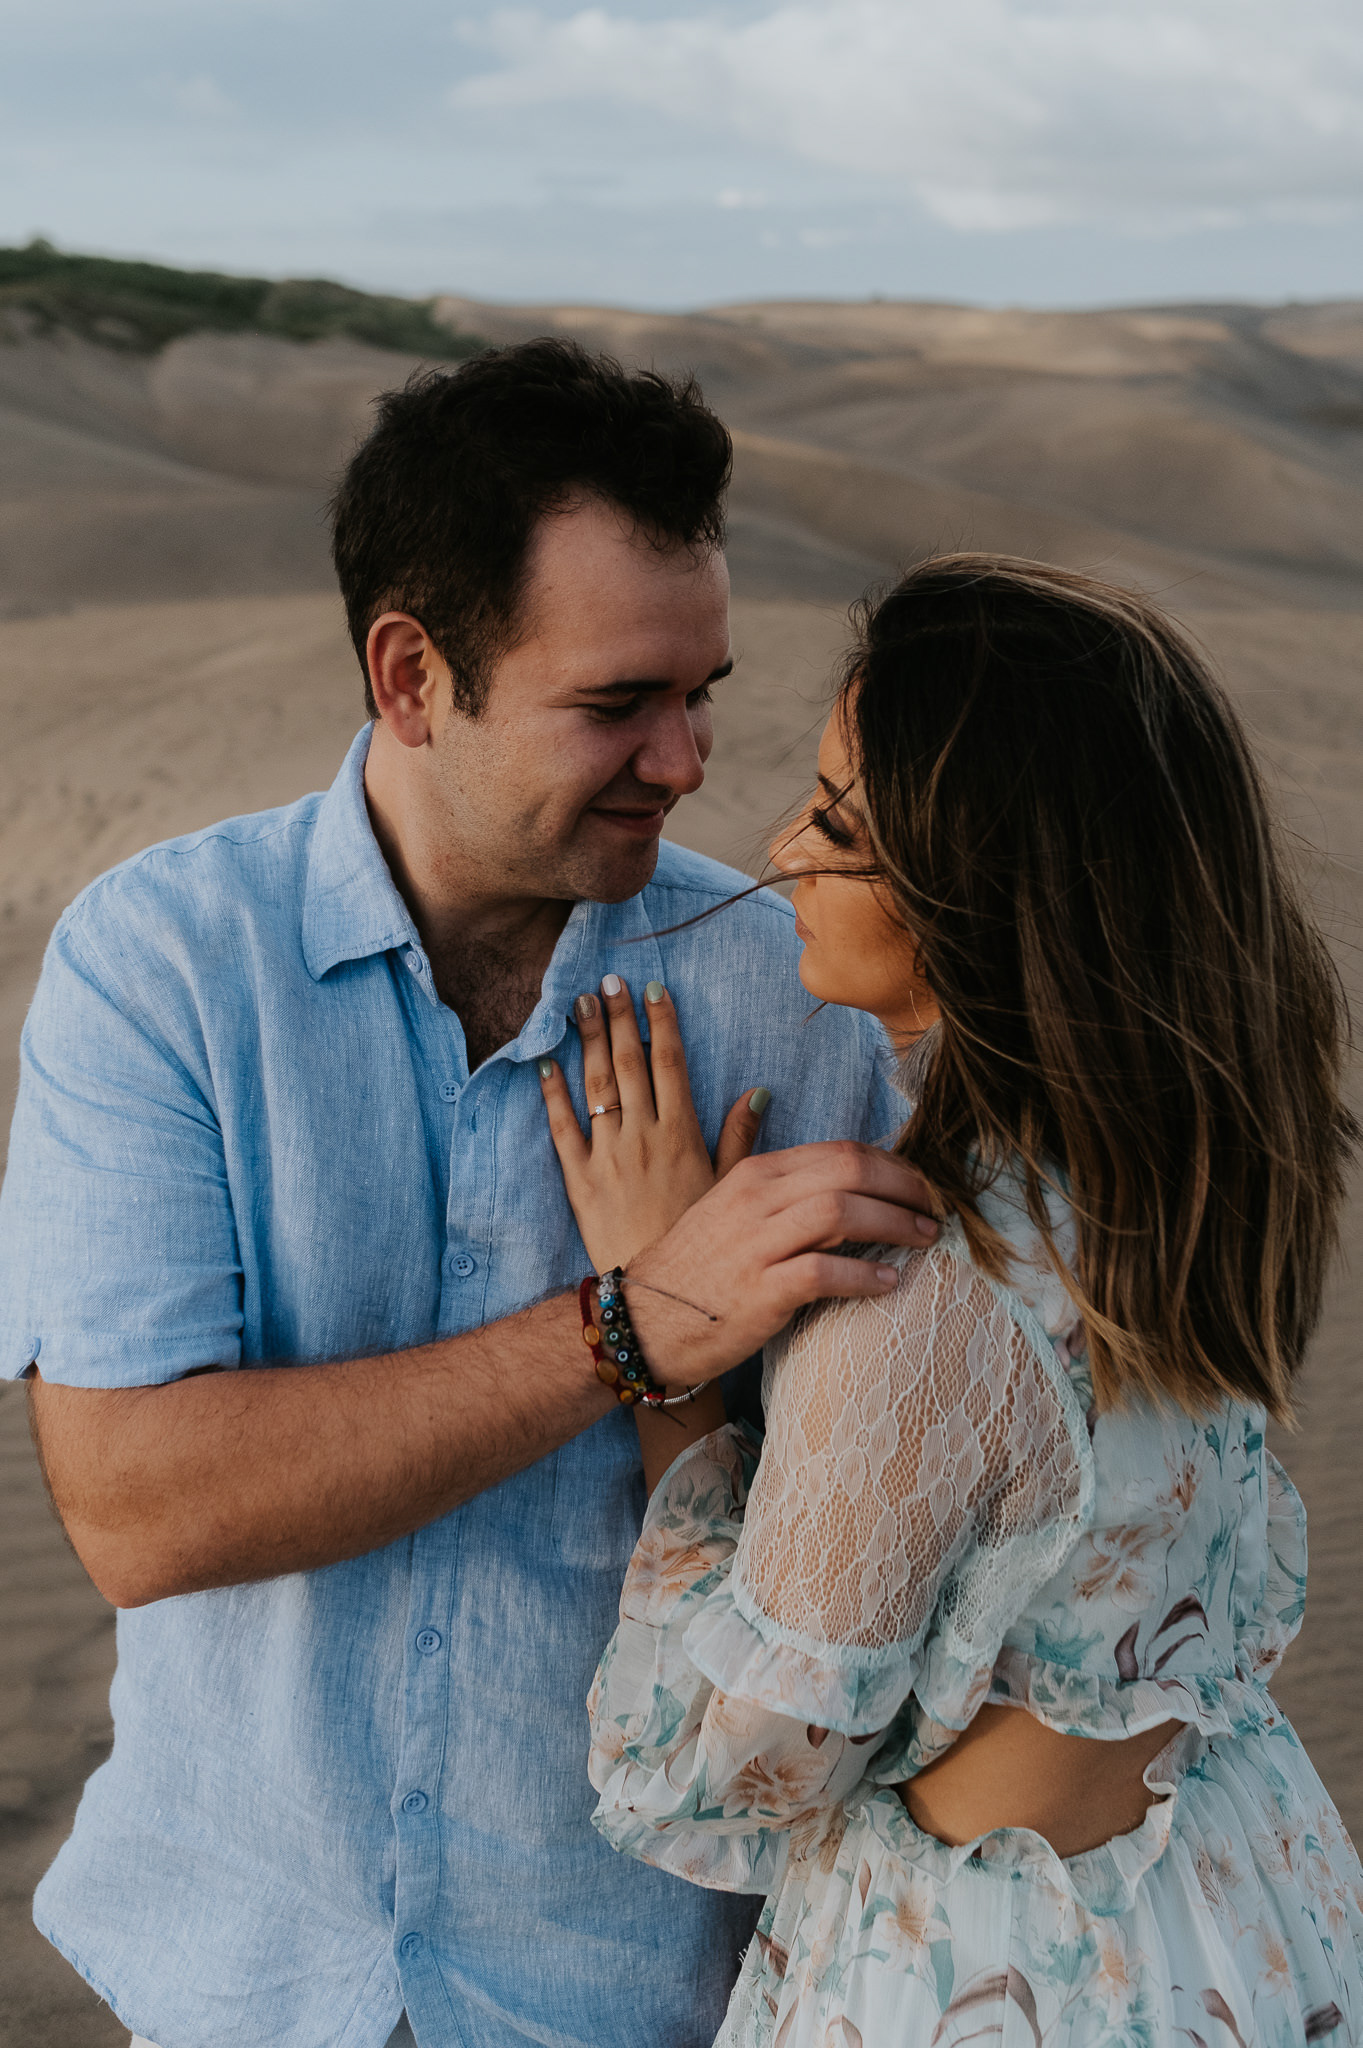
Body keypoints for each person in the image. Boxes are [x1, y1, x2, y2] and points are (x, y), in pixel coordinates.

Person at [0, 340, 943, 2048]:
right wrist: (632, 1326)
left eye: (705, 692)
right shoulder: (162, 969)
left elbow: (880, 1537)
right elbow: (141, 1510)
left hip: (642, 1993)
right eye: (618, 703)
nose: (686, 757)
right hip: (243, 1978)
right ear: (413, 675)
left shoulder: (794, 997)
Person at [540, 555, 1363, 2045]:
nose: (782, 847)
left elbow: (714, 1775)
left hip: (996, 1983)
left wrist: (666, 1338)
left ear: (977, 899)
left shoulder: (922, 1299)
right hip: (1234, 1909)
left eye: (838, 823)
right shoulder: (1186, 1186)